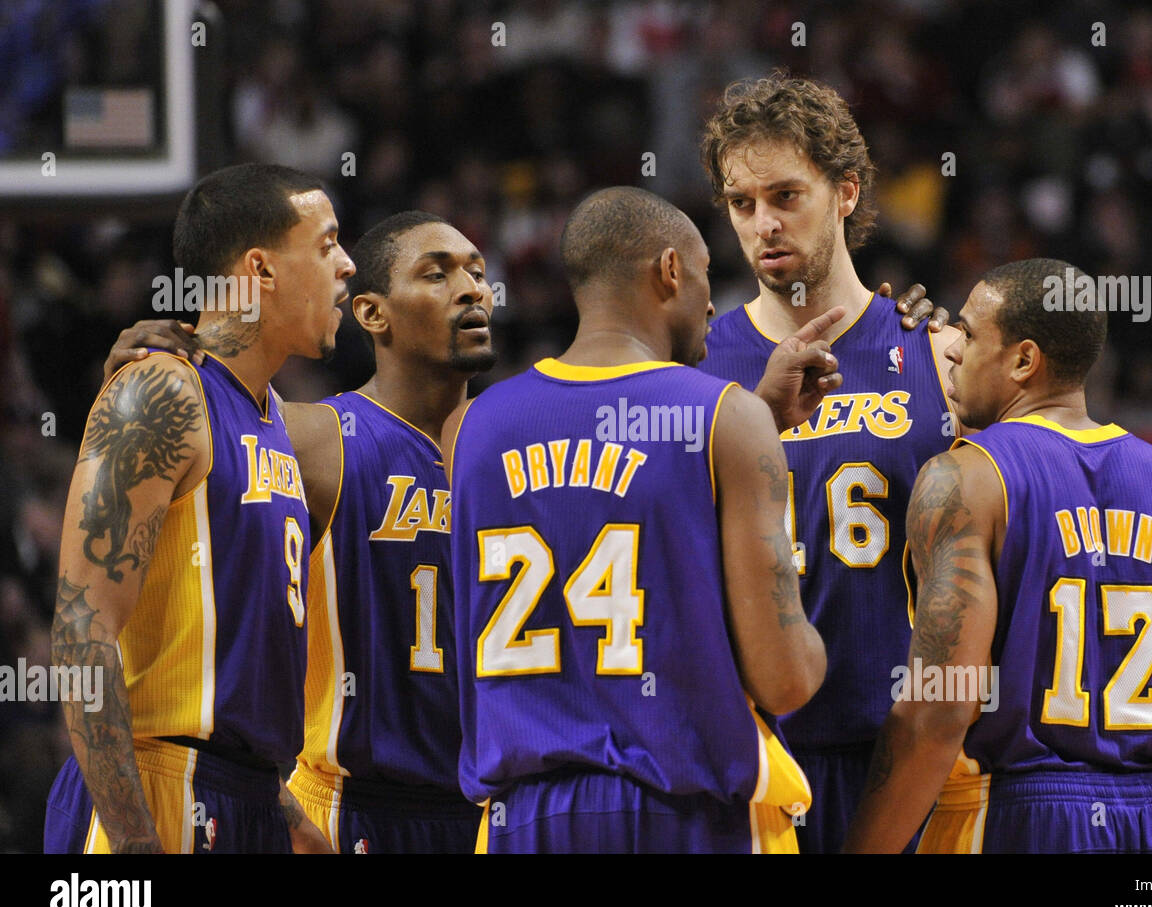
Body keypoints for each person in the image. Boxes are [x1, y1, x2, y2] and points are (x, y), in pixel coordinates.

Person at [98, 212, 499, 853]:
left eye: (479, 272)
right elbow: (210, 431)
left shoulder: (516, 448)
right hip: (349, 807)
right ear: (371, 314)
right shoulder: (312, 437)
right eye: (438, 273)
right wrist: (155, 365)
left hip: (488, 813)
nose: (474, 288)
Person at [443, 186, 828, 853]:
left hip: (521, 819)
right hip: (683, 814)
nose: (712, 303)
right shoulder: (726, 418)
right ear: (670, 269)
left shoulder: (472, 427)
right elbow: (784, 676)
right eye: (706, 277)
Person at [843, 258, 1152, 853]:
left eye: (971, 334)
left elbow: (940, 710)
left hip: (1018, 813)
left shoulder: (967, 477)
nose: (953, 351)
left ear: (1023, 360)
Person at [44, 163, 353, 853]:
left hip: (246, 795)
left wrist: (288, 818)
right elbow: (79, 628)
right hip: (155, 789)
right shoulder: (163, 390)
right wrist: (132, 844)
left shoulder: (271, 418)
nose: (347, 264)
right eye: (328, 243)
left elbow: (224, 671)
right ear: (260, 269)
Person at [697, 71, 959, 854]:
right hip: (754, 751)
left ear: (846, 191)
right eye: (742, 204)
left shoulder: (938, 353)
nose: (763, 224)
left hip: (906, 751)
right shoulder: (696, 365)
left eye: (786, 195)